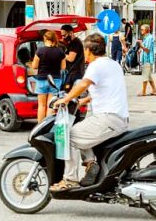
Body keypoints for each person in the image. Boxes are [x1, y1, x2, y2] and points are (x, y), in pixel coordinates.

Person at [49, 34, 129, 191]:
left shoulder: (96, 66)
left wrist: (65, 99)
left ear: (88, 50)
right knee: (81, 129)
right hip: (118, 118)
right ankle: (91, 163)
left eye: (84, 50)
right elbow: (105, 90)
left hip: (108, 118)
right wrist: (81, 101)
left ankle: (70, 179)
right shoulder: (113, 64)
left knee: (68, 136)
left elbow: (84, 84)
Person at [32, 30, 66, 122]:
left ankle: (40, 127)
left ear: (45, 39)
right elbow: (63, 67)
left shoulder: (40, 51)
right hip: (55, 81)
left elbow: (34, 66)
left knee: (41, 105)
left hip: (42, 80)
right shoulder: (60, 51)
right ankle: (48, 127)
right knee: (51, 105)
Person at [60, 24, 85, 91]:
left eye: (64, 35)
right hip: (72, 72)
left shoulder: (75, 43)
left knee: (67, 93)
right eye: (61, 35)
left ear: (71, 33)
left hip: (75, 73)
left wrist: (60, 54)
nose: (63, 37)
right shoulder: (71, 43)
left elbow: (71, 58)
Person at [138, 24, 156, 96]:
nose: (141, 31)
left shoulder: (149, 38)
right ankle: (154, 90)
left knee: (145, 76)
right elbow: (145, 49)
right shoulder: (146, 38)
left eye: (142, 29)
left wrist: (141, 45)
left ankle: (143, 91)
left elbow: (147, 50)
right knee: (149, 76)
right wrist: (141, 49)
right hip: (145, 59)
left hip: (147, 59)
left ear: (146, 30)